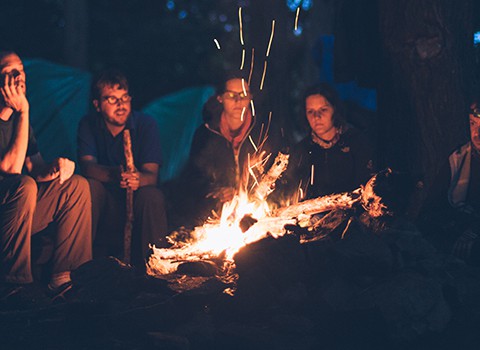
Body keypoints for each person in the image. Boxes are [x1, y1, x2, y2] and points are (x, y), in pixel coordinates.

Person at [0, 51, 92, 303]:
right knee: (23, 185)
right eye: (9, 71)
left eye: (21, 69)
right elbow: (11, 171)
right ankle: (14, 285)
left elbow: (34, 165)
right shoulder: (19, 114)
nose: (19, 76)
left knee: (75, 186)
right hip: (6, 209)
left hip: (19, 211)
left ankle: (63, 279)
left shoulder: (20, 120)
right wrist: (23, 111)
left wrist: (56, 167)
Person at [77, 69, 168, 266]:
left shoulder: (145, 125)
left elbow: (152, 175)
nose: (121, 105)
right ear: (97, 105)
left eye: (124, 98)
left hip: (137, 201)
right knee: (89, 187)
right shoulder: (89, 124)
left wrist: (137, 179)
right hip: (106, 203)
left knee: (152, 195)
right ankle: (81, 266)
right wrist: (114, 175)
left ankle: (155, 268)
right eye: (111, 99)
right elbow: (87, 167)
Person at [172, 71, 281, 228]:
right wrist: (217, 190)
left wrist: (255, 193)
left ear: (251, 97)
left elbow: (278, 172)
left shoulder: (263, 131)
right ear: (220, 98)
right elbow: (193, 179)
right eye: (231, 95)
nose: (238, 100)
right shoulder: (206, 134)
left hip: (258, 210)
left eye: (243, 94)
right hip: (217, 212)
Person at [281, 83, 374, 202]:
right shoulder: (301, 151)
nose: (316, 117)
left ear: (335, 110)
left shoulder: (356, 142)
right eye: (310, 111)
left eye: (323, 110)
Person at [418, 99, 480, 265]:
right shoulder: (460, 158)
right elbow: (433, 202)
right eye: (473, 124)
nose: (477, 133)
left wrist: (475, 230)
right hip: (459, 225)